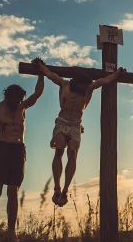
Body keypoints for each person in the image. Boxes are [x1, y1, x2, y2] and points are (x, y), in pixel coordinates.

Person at [37, 62, 127, 207]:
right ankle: (57, 187)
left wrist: (117, 73)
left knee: (72, 153)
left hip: (75, 125)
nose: (84, 89)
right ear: (76, 83)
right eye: (82, 86)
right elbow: (50, 75)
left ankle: (65, 189)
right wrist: (41, 66)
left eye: (86, 87)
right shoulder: (65, 85)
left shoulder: (88, 89)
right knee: (59, 150)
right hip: (62, 122)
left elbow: (104, 80)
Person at [0, 58, 45, 241]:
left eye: (20, 101)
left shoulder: (22, 107)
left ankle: (11, 232)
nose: (18, 104)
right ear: (7, 98)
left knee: (13, 191)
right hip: (2, 148)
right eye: (16, 101)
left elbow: (38, 93)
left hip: (18, 150)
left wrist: (41, 71)